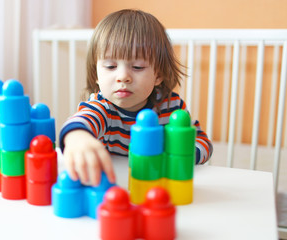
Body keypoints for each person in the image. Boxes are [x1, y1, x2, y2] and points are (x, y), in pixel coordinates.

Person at [59, 9, 213, 186]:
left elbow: (203, 142)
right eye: (110, 66)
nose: (123, 76)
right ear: (96, 74)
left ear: (158, 75)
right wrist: (78, 138)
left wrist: (178, 155)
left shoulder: (171, 107)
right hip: (115, 186)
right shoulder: (102, 107)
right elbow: (80, 121)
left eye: (138, 67)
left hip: (157, 183)